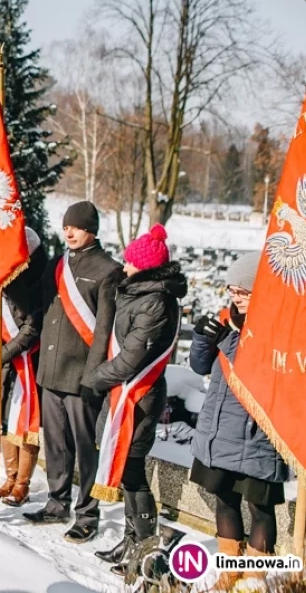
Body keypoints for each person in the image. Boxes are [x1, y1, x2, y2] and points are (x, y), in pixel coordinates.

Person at [87, 224, 186, 575]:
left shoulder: (155, 303)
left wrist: (96, 378)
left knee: (133, 474)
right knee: (130, 473)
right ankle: (133, 539)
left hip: (138, 397)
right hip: (125, 393)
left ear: (144, 267)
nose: (124, 267)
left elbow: (131, 359)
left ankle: (147, 548)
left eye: (129, 262)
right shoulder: (141, 294)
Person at [23, 201, 121, 544]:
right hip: (50, 372)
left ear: (90, 230)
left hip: (81, 375)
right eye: (66, 227)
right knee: (55, 444)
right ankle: (57, 502)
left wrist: (94, 377)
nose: (69, 232)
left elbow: (104, 329)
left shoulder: (110, 270)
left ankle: (88, 513)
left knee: (84, 448)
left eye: (76, 227)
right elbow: (39, 303)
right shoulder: (57, 264)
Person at [189, 251, 288, 589]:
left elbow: (264, 374)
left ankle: (254, 580)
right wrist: (203, 336)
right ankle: (229, 573)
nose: (235, 298)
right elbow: (201, 367)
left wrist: (230, 339)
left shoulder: (280, 326)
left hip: (259, 434)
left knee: (260, 508)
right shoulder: (227, 320)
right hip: (222, 430)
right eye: (232, 291)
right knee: (225, 501)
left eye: (243, 292)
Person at [0, 227, 47, 506]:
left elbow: (34, 326)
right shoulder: (0, 274)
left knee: (25, 422)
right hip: (4, 355)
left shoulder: (41, 279)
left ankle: (22, 483)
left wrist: (3, 354)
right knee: (3, 418)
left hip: (28, 359)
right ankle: (8, 478)